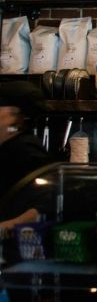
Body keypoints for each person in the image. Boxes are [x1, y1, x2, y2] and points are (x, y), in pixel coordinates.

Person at [0, 81, 54, 233]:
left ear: (13, 115)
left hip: (18, 247)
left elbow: (46, 205)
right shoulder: (6, 146)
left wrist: (7, 227)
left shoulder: (25, 151)